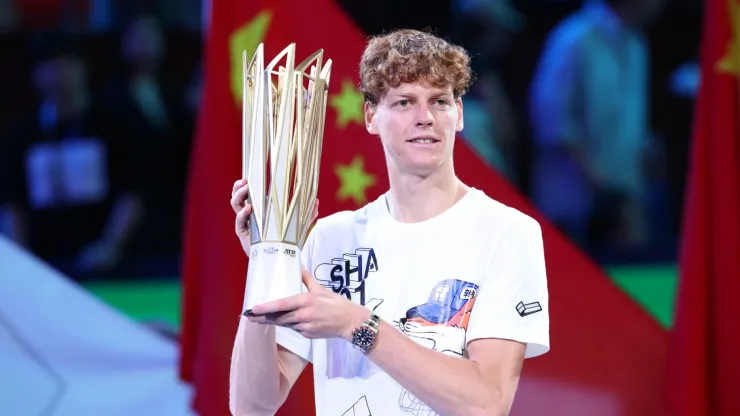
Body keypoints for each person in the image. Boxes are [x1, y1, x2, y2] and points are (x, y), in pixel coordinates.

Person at [229, 29, 550, 416]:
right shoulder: (331, 239)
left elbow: (486, 404)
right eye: (404, 102)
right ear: (371, 116)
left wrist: (357, 324)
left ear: (459, 114)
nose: (425, 118)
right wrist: (265, 262)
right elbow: (252, 405)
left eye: (440, 101)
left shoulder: (507, 233)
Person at [528, 0, 665, 251]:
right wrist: (596, 179)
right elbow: (551, 118)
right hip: (575, 206)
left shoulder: (636, 43)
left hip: (624, 199)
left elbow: (628, 118)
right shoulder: (574, 38)